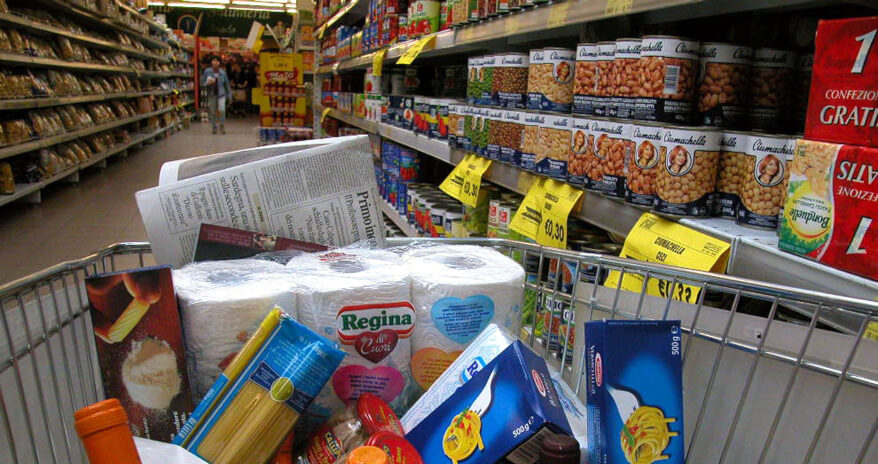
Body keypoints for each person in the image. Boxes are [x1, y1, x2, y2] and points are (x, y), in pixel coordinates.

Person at [202, 57, 232, 134]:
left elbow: (227, 84)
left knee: (222, 110)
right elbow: (202, 82)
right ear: (211, 62)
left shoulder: (223, 73)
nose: (215, 62)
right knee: (213, 112)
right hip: (212, 94)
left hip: (221, 94)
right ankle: (214, 127)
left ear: (219, 63)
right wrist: (207, 83)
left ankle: (222, 126)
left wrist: (229, 95)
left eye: (217, 61)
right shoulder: (207, 71)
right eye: (213, 60)